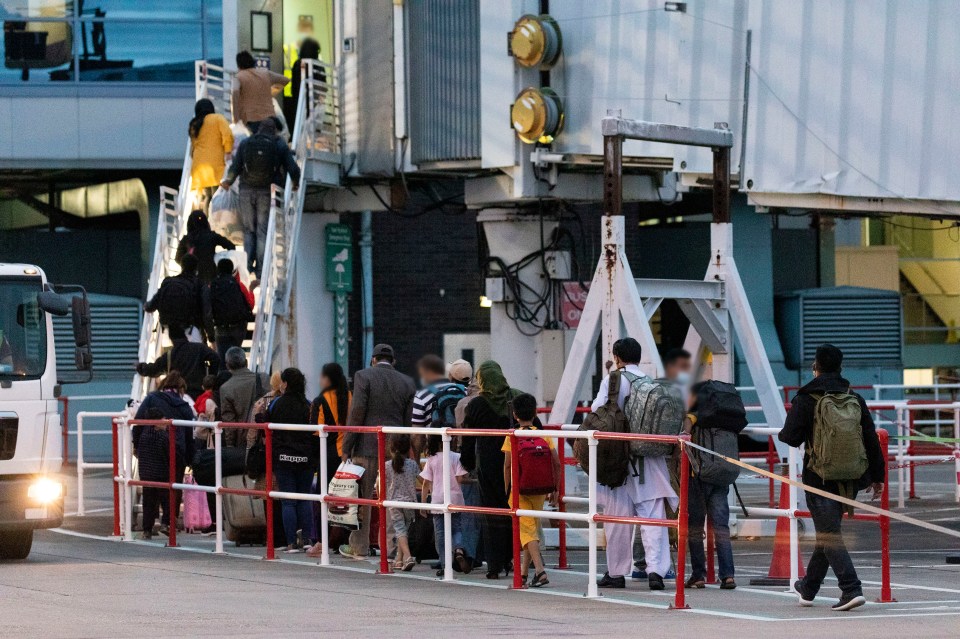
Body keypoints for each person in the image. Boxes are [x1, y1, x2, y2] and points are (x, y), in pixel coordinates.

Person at [779, 344, 885, 612]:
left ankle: (851, 588)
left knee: (829, 535)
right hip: (850, 477)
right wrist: (878, 476)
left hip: (819, 478)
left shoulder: (806, 398)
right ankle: (809, 587)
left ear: (816, 368)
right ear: (841, 368)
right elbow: (871, 440)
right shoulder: (854, 398)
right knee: (828, 534)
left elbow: (790, 437)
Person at [594, 338, 678, 591]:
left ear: (617, 357)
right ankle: (656, 572)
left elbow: (598, 411)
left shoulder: (612, 380)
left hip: (618, 458)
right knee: (653, 519)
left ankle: (617, 572)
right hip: (650, 459)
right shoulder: (651, 383)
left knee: (617, 519)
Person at [339, 343, 416, 560]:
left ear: (373, 359)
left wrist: (347, 447)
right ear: (393, 361)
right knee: (392, 499)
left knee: (363, 499)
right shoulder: (407, 382)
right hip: (395, 449)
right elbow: (407, 421)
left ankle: (359, 547)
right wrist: (405, 448)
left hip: (367, 446)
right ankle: (393, 549)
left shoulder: (363, 376)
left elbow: (357, 413)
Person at [460, 360, 530, 579]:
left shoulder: (476, 405)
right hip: (517, 466)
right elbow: (535, 426)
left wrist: (468, 463)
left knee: (491, 514)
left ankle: (494, 564)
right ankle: (513, 558)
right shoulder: (517, 397)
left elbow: (468, 441)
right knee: (515, 512)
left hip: (489, 467)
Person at [220, 117, 301, 281]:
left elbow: (235, 166)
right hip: (266, 191)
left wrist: (228, 181)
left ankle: (247, 267)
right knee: (262, 231)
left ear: (259, 129)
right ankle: (261, 271)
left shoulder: (247, 143)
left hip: (246, 190)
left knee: (249, 230)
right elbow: (293, 168)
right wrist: (295, 183)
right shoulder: (279, 145)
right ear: (274, 130)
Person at [501, 393, 561, 588]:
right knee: (530, 531)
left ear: (515, 414)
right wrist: (556, 488)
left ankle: (540, 571)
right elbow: (556, 463)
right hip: (540, 489)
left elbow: (508, 466)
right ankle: (525, 574)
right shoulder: (543, 435)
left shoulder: (513, 436)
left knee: (527, 533)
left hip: (520, 489)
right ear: (535, 413)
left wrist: (507, 488)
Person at [683, 385, 736, 590]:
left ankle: (698, 575)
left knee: (695, 526)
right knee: (721, 527)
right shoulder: (725, 415)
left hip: (699, 476)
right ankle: (728, 575)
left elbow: (685, 432)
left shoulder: (695, 414)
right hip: (722, 475)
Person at [132, 372, 195, 538]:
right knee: (172, 489)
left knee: (149, 490)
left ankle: (148, 528)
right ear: (181, 388)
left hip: (150, 450)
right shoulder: (183, 405)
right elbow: (189, 434)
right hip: (176, 451)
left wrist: (137, 444)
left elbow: (138, 421)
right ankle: (168, 522)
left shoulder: (152, 398)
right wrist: (190, 457)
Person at [266, 367, 317, 553]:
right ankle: (307, 540)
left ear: (285, 384)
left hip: (283, 457)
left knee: (288, 501)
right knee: (304, 499)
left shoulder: (276, 404)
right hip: (305, 458)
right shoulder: (308, 404)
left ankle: (290, 542)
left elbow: (265, 421)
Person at [305, 362, 352, 558]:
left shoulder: (320, 400)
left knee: (322, 499)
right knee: (346, 500)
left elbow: (316, 432)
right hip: (348, 454)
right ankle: (345, 540)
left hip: (328, 456)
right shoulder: (350, 397)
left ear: (327, 378)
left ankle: (322, 541)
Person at [419, 433, 470, 575]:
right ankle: (459, 549)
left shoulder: (431, 459)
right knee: (457, 529)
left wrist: (424, 504)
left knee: (440, 535)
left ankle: (444, 563)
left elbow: (425, 483)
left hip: (438, 500)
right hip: (455, 499)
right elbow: (460, 479)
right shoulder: (456, 457)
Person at [135, 329, 220, 401]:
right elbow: (215, 358)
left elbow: (154, 369)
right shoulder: (200, 348)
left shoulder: (170, 355)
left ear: (171, 339)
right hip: (199, 392)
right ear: (185, 336)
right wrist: (210, 376)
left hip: (180, 395)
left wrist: (141, 367)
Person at [144, 253, 210, 343]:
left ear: (181, 266)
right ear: (196, 268)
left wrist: (146, 306)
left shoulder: (168, 282)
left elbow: (151, 305)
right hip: (190, 330)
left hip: (169, 331)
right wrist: (211, 336)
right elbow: (207, 312)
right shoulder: (200, 284)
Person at [411, 354, 466, 455]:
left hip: (436, 453)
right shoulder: (464, 391)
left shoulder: (421, 395)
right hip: (463, 453)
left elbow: (417, 435)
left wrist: (417, 463)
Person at [217, 347, 270, 449]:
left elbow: (229, 423)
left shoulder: (226, 388)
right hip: (265, 436)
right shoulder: (264, 379)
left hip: (242, 441)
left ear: (227, 365)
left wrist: (230, 446)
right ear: (246, 362)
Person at [188, 98, 233, 214]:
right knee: (216, 196)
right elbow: (227, 135)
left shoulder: (194, 124)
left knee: (207, 196)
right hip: (214, 166)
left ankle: (206, 224)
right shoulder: (217, 118)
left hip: (198, 168)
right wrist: (228, 151)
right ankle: (215, 224)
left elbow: (193, 147)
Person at [384, 434, 419, 571]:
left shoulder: (387, 465)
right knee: (404, 530)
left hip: (394, 503)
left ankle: (408, 557)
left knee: (400, 531)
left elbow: (380, 485)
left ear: (391, 448)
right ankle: (399, 559)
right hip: (410, 502)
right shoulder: (412, 464)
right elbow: (422, 480)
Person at [232, 51, 289, 134]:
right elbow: (285, 80)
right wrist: (272, 92)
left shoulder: (238, 77)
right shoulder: (265, 73)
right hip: (271, 120)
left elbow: (235, 93)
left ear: (238, 65)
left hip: (251, 121)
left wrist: (236, 120)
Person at [209, 258, 253, 361]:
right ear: (231, 270)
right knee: (237, 358)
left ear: (218, 269)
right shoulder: (238, 284)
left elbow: (208, 307)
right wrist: (251, 290)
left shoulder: (212, 285)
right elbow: (250, 304)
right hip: (238, 327)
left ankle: (224, 375)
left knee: (222, 359)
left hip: (221, 327)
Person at [176, 210, 235, 284]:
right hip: (211, 276)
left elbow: (178, 259)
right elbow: (231, 246)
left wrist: (189, 260)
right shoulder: (212, 235)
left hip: (193, 279)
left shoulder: (186, 239)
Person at [284, 37, 326, 126]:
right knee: (313, 126)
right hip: (314, 100)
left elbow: (294, 85)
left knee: (299, 125)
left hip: (299, 99)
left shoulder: (297, 64)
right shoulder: (318, 65)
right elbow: (323, 86)